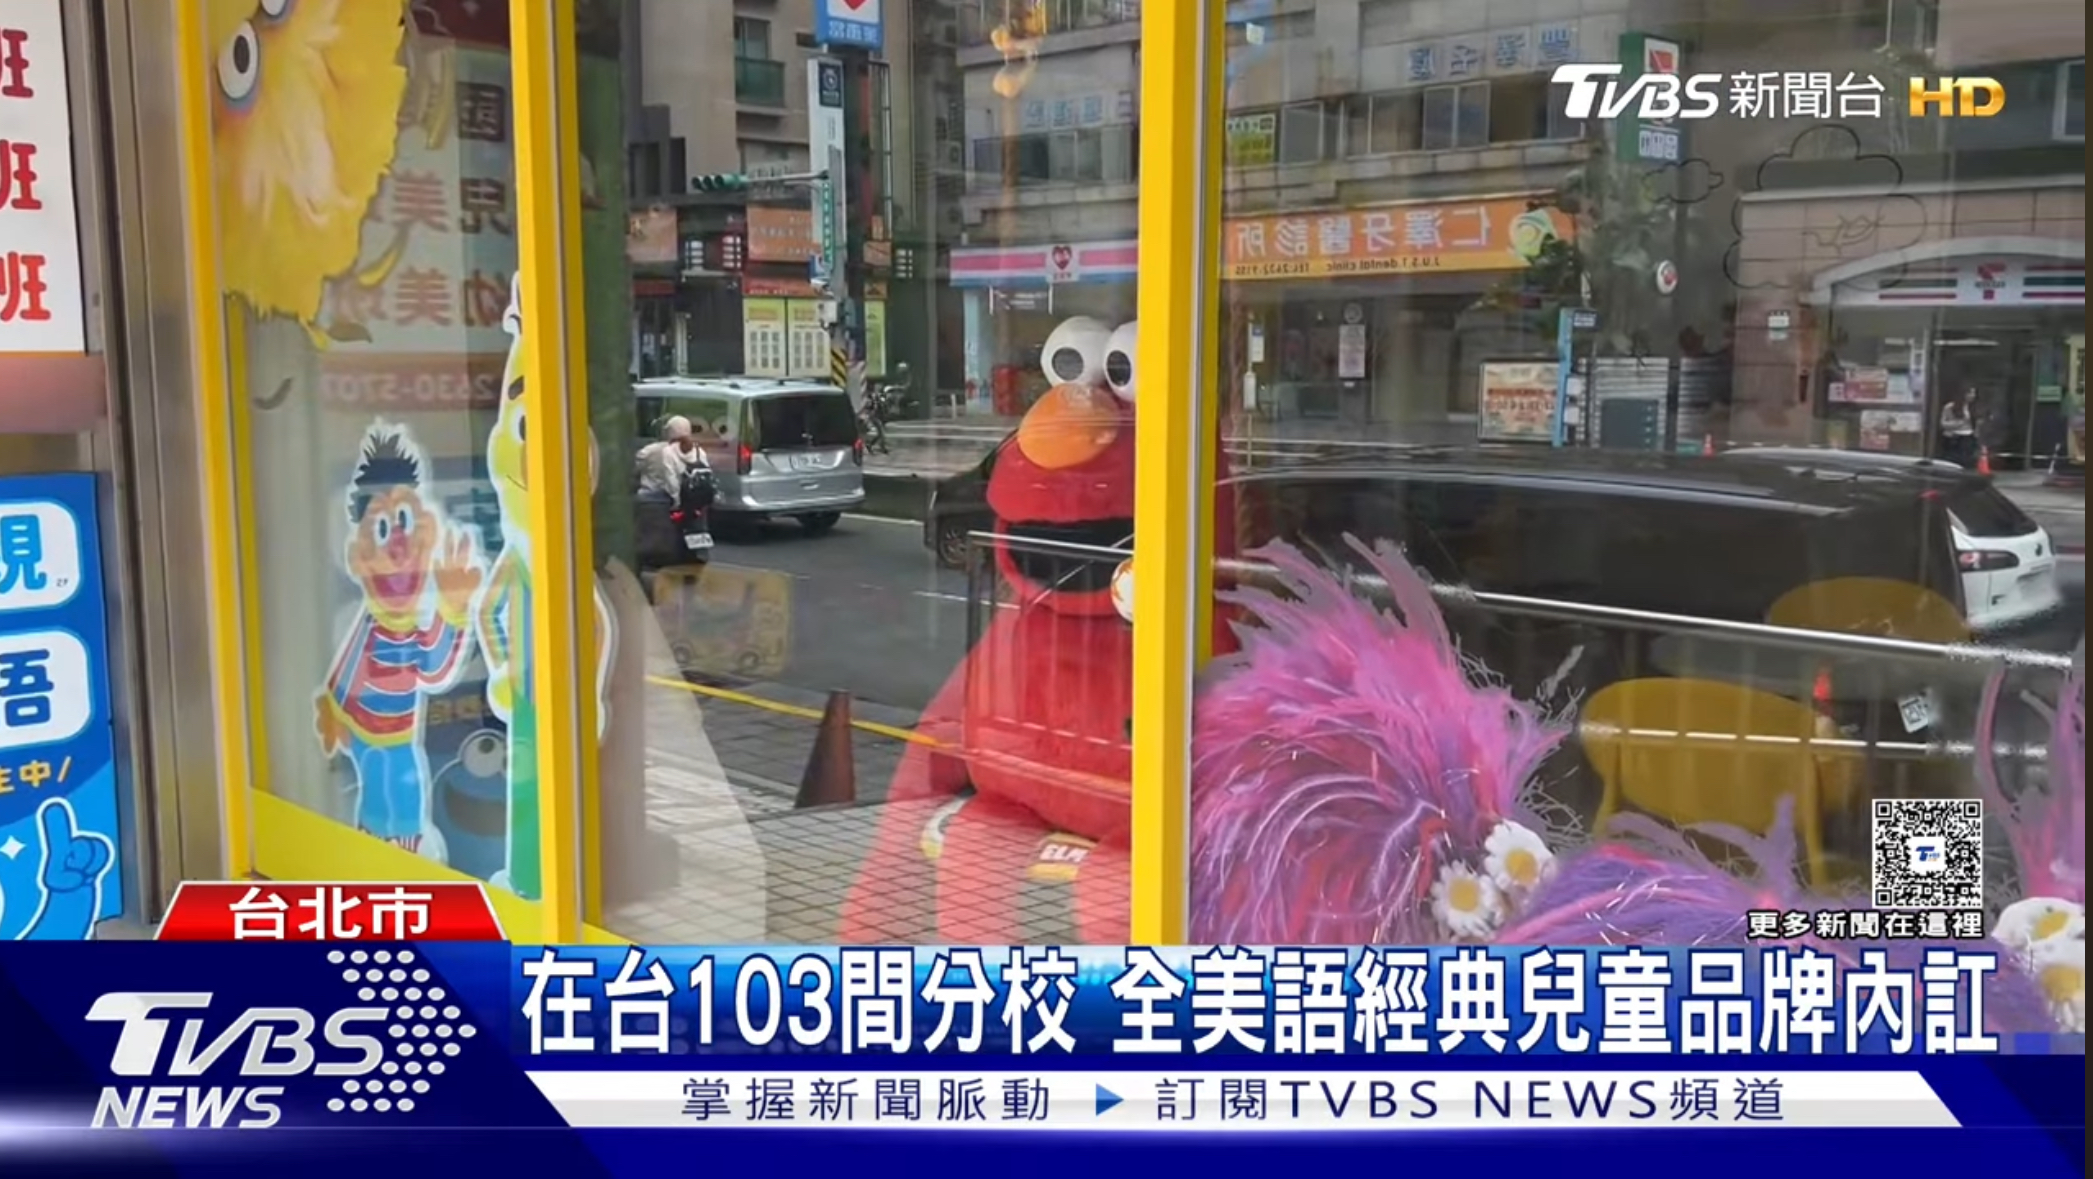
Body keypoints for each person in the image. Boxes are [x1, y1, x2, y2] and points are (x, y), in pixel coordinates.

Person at [634, 416, 714, 595]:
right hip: (696, 501)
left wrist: (676, 502)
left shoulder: (661, 451)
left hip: (669, 499)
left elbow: (670, 478)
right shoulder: (698, 450)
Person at [1939, 389, 1979, 468]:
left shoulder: (1973, 407)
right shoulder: (1950, 407)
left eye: (1974, 393)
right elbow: (1943, 423)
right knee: (1953, 461)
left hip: (1968, 436)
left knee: (1966, 461)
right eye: (1970, 393)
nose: (1973, 395)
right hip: (1953, 436)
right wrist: (1959, 423)